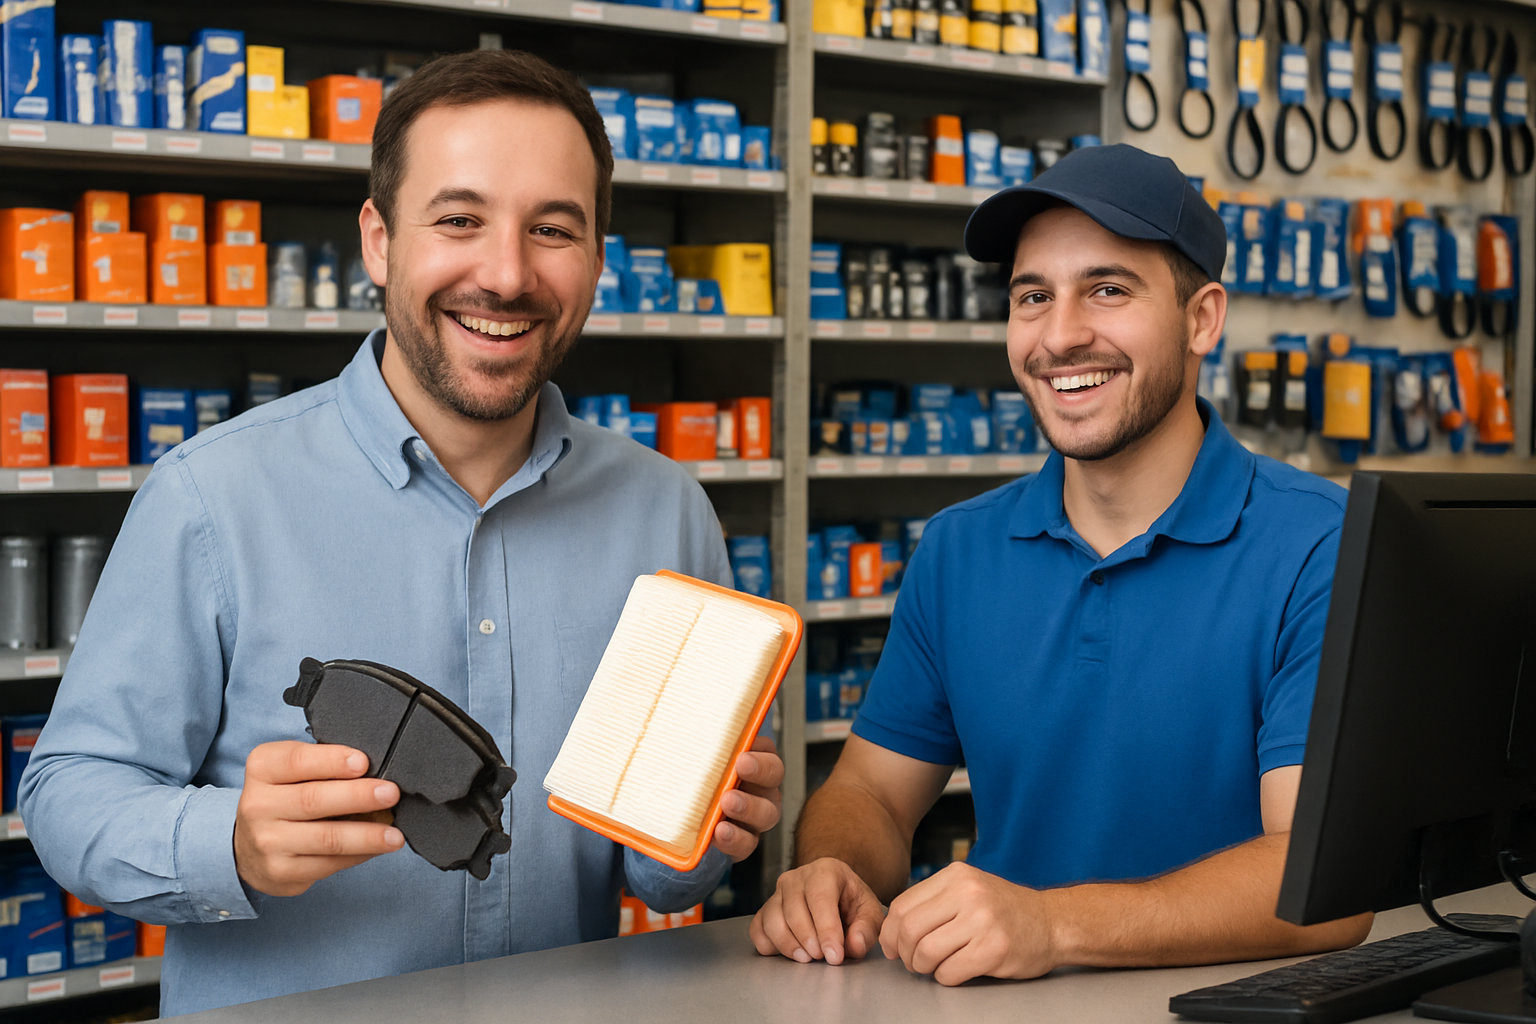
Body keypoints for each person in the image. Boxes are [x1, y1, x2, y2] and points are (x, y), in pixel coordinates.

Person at [20, 49, 783, 1017]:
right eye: (459, 220)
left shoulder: (664, 511)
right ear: (379, 242)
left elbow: (661, 880)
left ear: (598, 259)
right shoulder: (211, 497)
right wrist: (230, 842)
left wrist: (705, 834)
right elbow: (67, 794)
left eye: (553, 229)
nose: (506, 274)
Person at [750, 144, 1372, 984]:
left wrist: (1051, 924)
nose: (1060, 336)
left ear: (1201, 319)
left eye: (1108, 289)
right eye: (1032, 296)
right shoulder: (959, 550)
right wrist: (834, 872)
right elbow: (872, 793)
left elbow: (1322, 882)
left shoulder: (1320, 547)